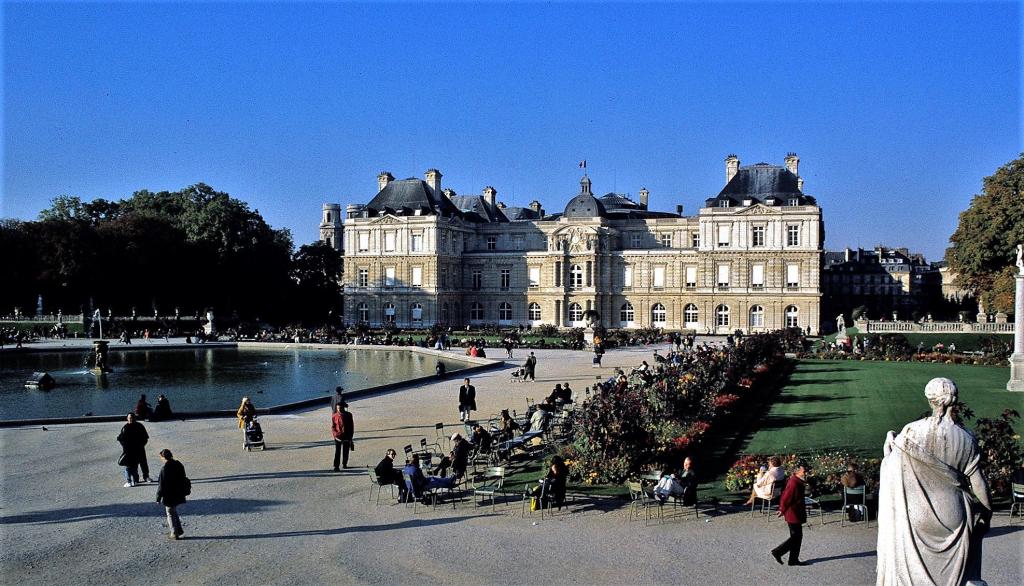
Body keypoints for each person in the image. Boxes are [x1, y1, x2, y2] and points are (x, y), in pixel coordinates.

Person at [877, 378, 992, 585]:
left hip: (916, 514)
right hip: (953, 514)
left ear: (930, 400)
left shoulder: (910, 432)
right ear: (954, 400)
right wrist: (987, 512)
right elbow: (978, 483)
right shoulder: (966, 438)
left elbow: (892, 467)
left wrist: (889, 448)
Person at [771, 460, 810, 567]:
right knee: (796, 536)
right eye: (804, 470)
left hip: (796, 511)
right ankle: (778, 552)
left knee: (797, 536)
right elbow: (786, 497)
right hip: (793, 513)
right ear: (797, 471)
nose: (806, 472)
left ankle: (793, 560)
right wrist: (782, 510)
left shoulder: (798, 481)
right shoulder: (793, 482)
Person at [155, 448, 189, 540]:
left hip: (169, 495)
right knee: (173, 511)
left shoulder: (164, 469)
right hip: (179, 492)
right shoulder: (178, 464)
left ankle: (174, 533)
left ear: (163, 457)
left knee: (170, 513)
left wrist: (158, 498)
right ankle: (179, 531)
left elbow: (161, 486)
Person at [117, 413, 151, 486]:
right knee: (133, 465)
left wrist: (142, 445)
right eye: (129, 418)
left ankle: (146, 476)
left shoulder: (140, 426)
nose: (130, 419)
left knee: (143, 462)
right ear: (127, 419)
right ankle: (136, 479)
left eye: (132, 418)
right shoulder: (125, 428)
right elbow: (120, 439)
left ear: (134, 418)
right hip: (130, 450)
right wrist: (125, 447)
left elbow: (145, 437)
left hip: (140, 448)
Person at [331, 402, 354, 470]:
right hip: (338, 437)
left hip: (347, 435)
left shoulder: (349, 415)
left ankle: (344, 463)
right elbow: (333, 427)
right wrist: (335, 435)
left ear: (343, 408)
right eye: (337, 408)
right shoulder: (334, 416)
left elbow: (351, 426)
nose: (339, 409)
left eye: (340, 408)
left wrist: (351, 437)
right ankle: (336, 466)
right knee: (337, 452)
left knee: (346, 451)